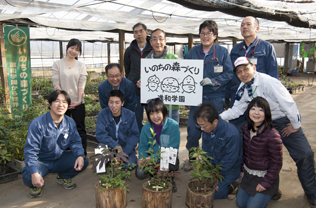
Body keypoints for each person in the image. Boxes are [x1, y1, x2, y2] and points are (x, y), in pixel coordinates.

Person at [221, 57, 316, 207]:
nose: (243, 73)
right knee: (262, 153)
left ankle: (312, 192)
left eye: (245, 68)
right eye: (239, 72)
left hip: (282, 119)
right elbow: (237, 110)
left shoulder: (268, 82)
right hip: (262, 121)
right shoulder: (243, 88)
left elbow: (288, 103)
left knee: (304, 154)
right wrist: (218, 117)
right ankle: (272, 188)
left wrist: (295, 125)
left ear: (253, 67)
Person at [184, 20, 234, 171]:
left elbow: (229, 73)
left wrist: (213, 81)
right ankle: (192, 158)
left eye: (208, 34)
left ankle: (210, 160)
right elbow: (184, 71)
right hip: (196, 98)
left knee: (212, 129)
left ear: (215, 36)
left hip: (215, 98)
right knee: (193, 130)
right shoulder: (193, 52)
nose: (205, 36)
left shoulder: (222, 52)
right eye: (202, 33)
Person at [22, 90, 89, 198]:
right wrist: (34, 172)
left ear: (68, 105)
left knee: (83, 161)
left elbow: (75, 141)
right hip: (41, 161)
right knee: (28, 176)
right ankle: (35, 183)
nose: (61, 105)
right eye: (57, 101)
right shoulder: (38, 124)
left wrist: (80, 155)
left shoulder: (69, 122)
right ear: (50, 104)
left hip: (59, 159)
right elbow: (31, 150)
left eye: (64, 102)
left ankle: (63, 177)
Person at [227, 16, 279, 128]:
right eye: (242, 25)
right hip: (240, 95)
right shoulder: (236, 50)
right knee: (237, 130)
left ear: (257, 28)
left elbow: (273, 74)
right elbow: (232, 73)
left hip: (259, 96)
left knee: (258, 131)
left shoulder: (266, 47)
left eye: (248, 24)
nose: (244, 27)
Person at [236, 97, 282, 208]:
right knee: (240, 203)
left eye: (261, 110)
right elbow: (245, 153)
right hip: (249, 174)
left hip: (265, 176)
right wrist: (243, 169)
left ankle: (272, 191)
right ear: (248, 111)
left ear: (266, 114)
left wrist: (265, 182)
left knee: (252, 207)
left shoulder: (273, 135)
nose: (256, 113)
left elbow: (277, 163)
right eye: (253, 109)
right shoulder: (245, 129)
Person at [194, 102, 242, 199]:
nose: (202, 129)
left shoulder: (231, 134)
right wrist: (207, 171)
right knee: (201, 187)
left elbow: (230, 160)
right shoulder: (207, 130)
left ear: (215, 121)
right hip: (213, 167)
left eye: (204, 126)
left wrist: (215, 175)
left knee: (214, 193)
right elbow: (206, 151)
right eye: (200, 126)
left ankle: (234, 183)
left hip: (229, 169)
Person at [135, 98, 180, 192]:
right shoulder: (146, 128)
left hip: (165, 157)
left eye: (158, 112)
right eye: (151, 113)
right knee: (139, 173)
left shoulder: (173, 126)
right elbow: (142, 146)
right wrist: (141, 159)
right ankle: (154, 174)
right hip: (151, 157)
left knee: (173, 162)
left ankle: (169, 177)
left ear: (163, 112)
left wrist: (151, 159)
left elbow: (173, 149)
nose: (155, 117)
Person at [51, 38, 88, 155]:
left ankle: (82, 154)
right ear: (67, 47)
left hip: (76, 102)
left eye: (77, 50)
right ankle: (64, 153)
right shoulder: (58, 64)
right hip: (61, 103)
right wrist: (64, 101)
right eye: (72, 48)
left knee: (80, 128)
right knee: (62, 129)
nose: (74, 51)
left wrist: (79, 100)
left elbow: (81, 84)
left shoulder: (81, 65)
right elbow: (56, 83)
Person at [143, 28, 180, 123]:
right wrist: (141, 82)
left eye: (160, 39)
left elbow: (180, 78)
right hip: (154, 107)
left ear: (165, 41)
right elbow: (142, 77)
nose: (158, 42)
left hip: (171, 106)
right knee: (156, 133)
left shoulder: (173, 58)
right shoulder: (147, 60)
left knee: (172, 132)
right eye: (154, 39)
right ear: (150, 42)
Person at [95, 90, 139, 169]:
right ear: (108, 103)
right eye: (111, 102)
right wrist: (116, 145)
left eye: (117, 102)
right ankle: (104, 172)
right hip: (109, 145)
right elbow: (100, 134)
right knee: (100, 160)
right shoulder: (102, 114)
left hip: (125, 147)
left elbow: (134, 136)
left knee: (130, 165)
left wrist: (125, 152)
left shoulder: (130, 115)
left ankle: (119, 161)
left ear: (122, 103)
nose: (114, 105)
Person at [124, 22, 153, 132]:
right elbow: (127, 67)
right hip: (135, 90)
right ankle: (139, 140)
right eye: (136, 32)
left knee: (153, 116)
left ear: (146, 32)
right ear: (133, 35)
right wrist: (132, 80)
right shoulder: (130, 50)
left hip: (151, 90)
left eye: (141, 31)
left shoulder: (153, 49)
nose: (138, 34)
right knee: (137, 117)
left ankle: (152, 140)